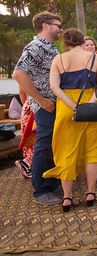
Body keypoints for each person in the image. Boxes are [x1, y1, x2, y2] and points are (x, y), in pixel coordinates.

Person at [44, 28, 97, 212]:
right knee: (92, 150)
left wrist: (74, 107)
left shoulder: (58, 59)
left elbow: (54, 87)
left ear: (65, 43)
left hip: (66, 108)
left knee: (66, 150)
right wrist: (89, 105)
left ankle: (67, 197)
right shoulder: (95, 58)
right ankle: (90, 193)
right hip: (91, 108)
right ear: (82, 41)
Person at [12, 11, 64, 206]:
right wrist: (40, 100)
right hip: (45, 106)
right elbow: (18, 74)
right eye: (58, 24)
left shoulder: (50, 47)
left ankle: (51, 182)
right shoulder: (36, 47)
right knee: (43, 145)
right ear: (46, 25)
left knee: (52, 144)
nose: (60, 27)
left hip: (53, 104)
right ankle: (40, 189)